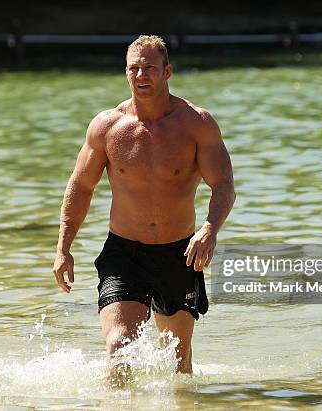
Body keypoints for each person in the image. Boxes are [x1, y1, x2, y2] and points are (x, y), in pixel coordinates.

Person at [52, 35, 235, 381]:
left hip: (180, 253)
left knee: (177, 359)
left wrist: (210, 229)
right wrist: (63, 248)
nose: (140, 75)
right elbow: (81, 186)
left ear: (167, 71)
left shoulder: (196, 124)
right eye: (133, 69)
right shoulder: (107, 127)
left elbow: (223, 185)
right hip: (124, 253)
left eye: (149, 68)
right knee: (119, 345)